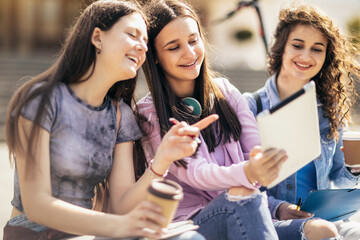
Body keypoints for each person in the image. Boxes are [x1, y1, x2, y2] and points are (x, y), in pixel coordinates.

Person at [3, 1, 214, 239]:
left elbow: (122, 205)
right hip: (35, 232)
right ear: (97, 37)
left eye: (145, 42)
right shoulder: (42, 100)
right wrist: (119, 226)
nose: (142, 47)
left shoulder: (120, 114)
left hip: (90, 233)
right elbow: (37, 206)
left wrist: (164, 157)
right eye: (133, 35)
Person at [135, 0, 289, 239]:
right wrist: (249, 172)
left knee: (320, 230)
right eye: (174, 47)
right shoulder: (149, 113)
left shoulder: (226, 92)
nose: (189, 53)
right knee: (242, 194)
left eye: (193, 40)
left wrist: (263, 166)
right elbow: (197, 173)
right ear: (154, 56)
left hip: (246, 207)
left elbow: (254, 151)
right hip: (192, 223)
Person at [244, 3, 360, 240]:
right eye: (297, 45)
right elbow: (241, 184)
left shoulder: (329, 110)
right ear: (281, 49)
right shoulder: (250, 107)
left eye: (317, 49)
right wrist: (279, 207)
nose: (306, 56)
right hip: (274, 220)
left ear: (326, 56)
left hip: (326, 218)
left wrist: (354, 169)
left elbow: (340, 177)